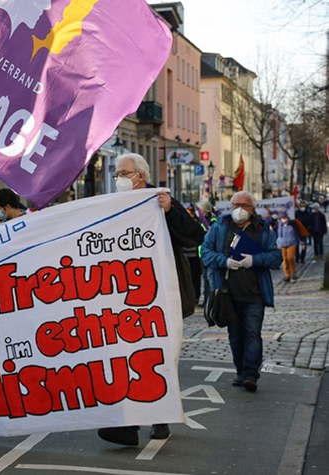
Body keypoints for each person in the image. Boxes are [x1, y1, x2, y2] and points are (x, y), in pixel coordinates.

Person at [97, 153, 204, 446]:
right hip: (125, 299)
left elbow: (196, 236)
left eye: (123, 173)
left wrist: (170, 211)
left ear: (140, 176)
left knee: (157, 359)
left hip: (161, 297)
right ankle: (126, 424)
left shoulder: (162, 202)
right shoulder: (113, 207)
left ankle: (159, 418)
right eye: (116, 172)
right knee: (124, 360)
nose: (118, 177)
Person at [201, 191, 281, 393]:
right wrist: (224, 261)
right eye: (235, 204)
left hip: (254, 293)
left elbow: (275, 257)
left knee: (252, 334)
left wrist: (254, 260)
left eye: (244, 206)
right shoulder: (220, 226)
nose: (239, 209)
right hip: (227, 293)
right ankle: (240, 372)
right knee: (235, 335)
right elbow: (206, 253)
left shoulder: (263, 229)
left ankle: (250, 374)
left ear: (252, 209)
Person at [276, 214, 299, 282]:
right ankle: (287, 275)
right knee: (285, 260)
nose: (284, 219)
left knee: (290, 257)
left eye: (285, 218)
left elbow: (297, 233)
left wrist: (302, 242)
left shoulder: (292, 225)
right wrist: (277, 243)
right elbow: (276, 234)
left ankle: (294, 273)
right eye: (282, 218)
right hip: (282, 244)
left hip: (292, 243)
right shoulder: (279, 225)